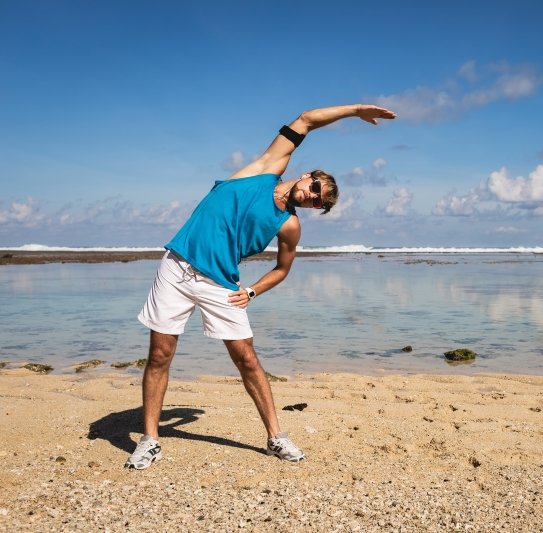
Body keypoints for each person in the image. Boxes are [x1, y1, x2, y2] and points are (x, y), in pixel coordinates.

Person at [125, 104, 396, 469]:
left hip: (221, 282)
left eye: (318, 201)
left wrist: (252, 291)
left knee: (247, 359)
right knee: (159, 354)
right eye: (315, 187)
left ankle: (275, 437)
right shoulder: (265, 169)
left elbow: (282, 269)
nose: (313, 197)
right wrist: (355, 111)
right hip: (176, 267)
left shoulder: (289, 226)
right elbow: (305, 120)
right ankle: (150, 439)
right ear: (306, 175)